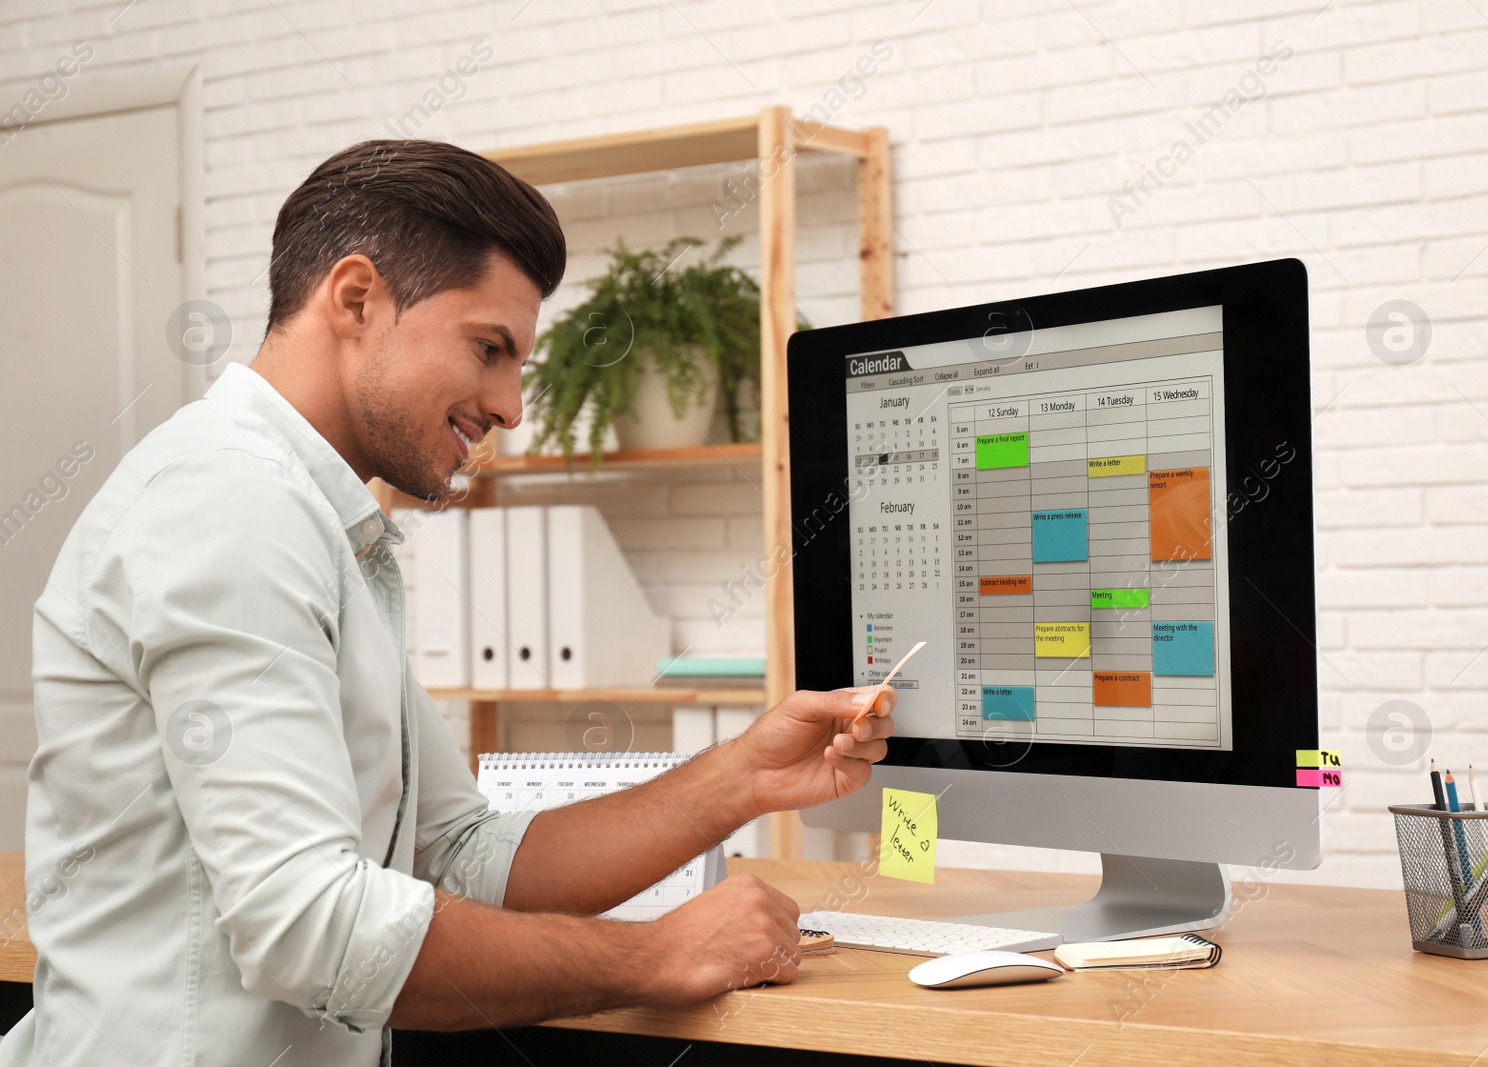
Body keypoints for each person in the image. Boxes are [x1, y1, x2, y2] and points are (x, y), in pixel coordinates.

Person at [1, 139, 895, 1066]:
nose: (511, 406)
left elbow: (465, 855)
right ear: (357, 299)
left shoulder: (317, 520)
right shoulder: (232, 506)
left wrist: (744, 775)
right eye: (489, 349)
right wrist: (657, 955)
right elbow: (313, 928)